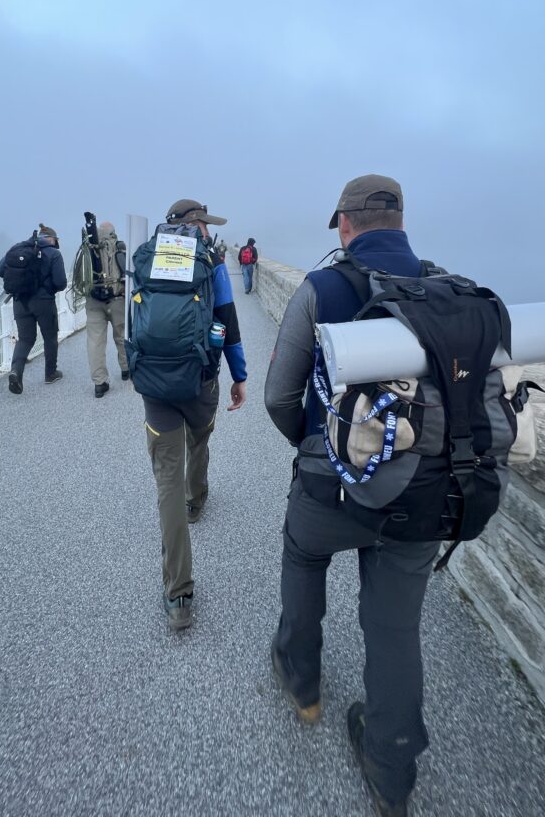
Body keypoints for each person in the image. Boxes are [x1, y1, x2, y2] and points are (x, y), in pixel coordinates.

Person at [264, 176, 436, 817]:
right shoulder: (440, 286)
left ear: (344, 223)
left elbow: (282, 396)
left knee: (304, 559)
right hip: (419, 490)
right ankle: (391, 770)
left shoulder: (322, 288)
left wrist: (313, 445)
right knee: (395, 627)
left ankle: (301, 682)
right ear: (400, 221)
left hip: (330, 484)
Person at [141, 198, 247, 631]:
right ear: (196, 224)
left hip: (155, 384)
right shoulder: (211, 263)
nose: (209, 230)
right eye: (206, 223)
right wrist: (239, 376)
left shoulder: (147, 257)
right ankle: (197, 498)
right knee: (199, 438)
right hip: (200, 379)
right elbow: (228, 321)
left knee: (165, 479)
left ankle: (178, 595)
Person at [0, 223, 67, 393]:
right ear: (51, 239)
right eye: (55, 240)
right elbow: (61, 283)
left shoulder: (18, 248)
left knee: (25, 339)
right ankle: (50, 373)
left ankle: (16, 372)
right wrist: (48, 288)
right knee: (50, 336)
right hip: (43, 302)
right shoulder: (54, 254)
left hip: (20, 301)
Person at [84, 218, 129, 398]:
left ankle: (100, 383)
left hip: (93, 301)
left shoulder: (88, 249)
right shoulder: (119, 247)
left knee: (95, 342)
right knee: (121, 336)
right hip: (117, 298)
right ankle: (126, 370)